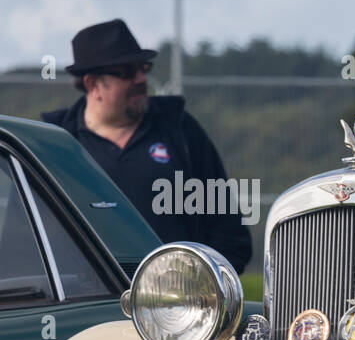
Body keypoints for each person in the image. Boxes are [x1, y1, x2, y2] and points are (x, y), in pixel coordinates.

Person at [42, 19, 251, 272]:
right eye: (127, 71)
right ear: (92, 84)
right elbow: (27, 238)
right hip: (90, 305)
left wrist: (201, 286)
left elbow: (228, 231)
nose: (141, 78)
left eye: (144, 67)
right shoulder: (57, 144)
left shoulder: (179, 130)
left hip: (177, 302)